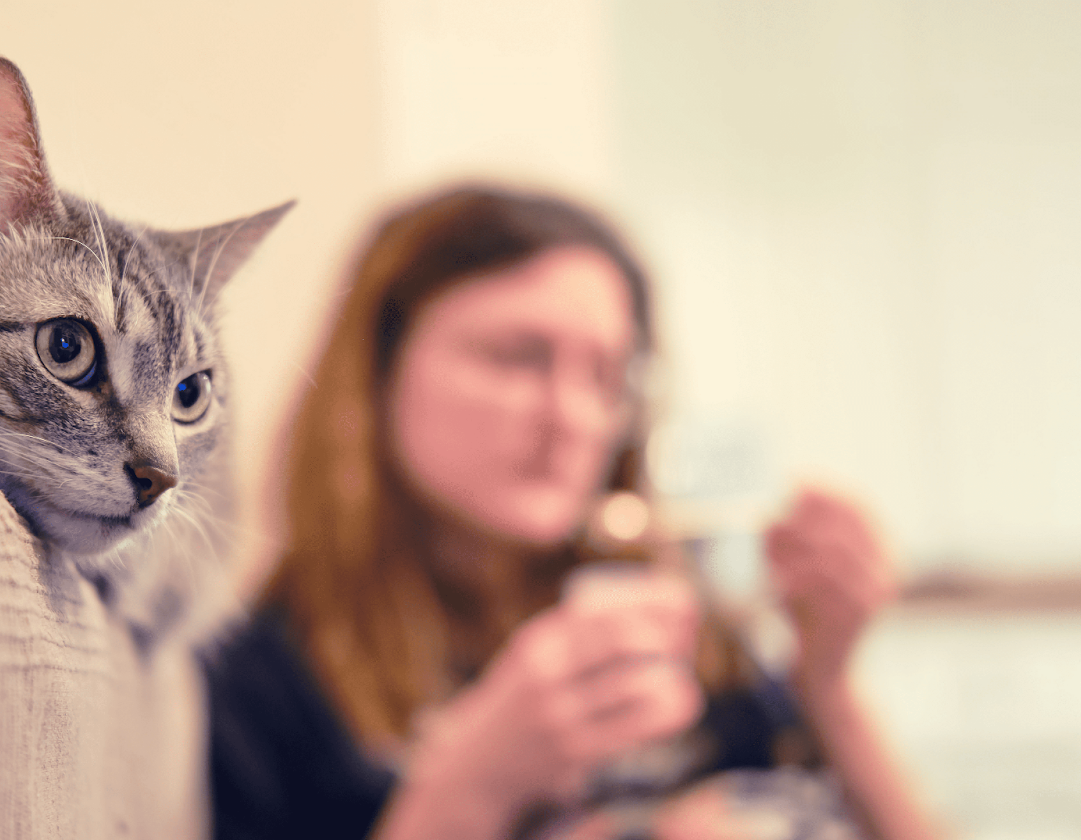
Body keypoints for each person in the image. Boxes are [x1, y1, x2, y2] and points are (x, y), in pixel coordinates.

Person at [203, 185, 938, 840]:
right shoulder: (265, 684)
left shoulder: (677, 622)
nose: (573, 418)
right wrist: (472, 788)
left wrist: (830, 684)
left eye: (607, 377)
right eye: (518, 357)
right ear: (380, 371)